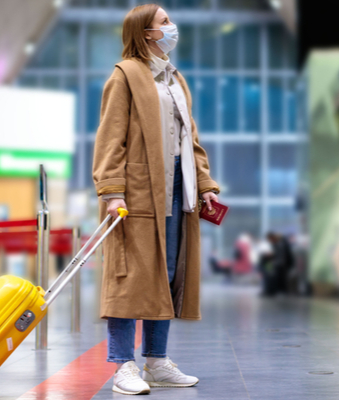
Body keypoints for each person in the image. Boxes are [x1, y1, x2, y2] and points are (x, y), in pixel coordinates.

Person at [92, 4, 220, 395]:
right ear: (146, 32)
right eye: (164, 22)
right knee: (129, 278)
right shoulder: (125, 75)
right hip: (136, 192)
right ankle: (123, 367)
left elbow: (191, 141)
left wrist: (206, 185)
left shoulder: (175, 80)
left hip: (177, 190)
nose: (171, 27)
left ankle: (157, 361)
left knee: (164, 276)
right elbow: (110, 139)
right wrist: (112, 191)